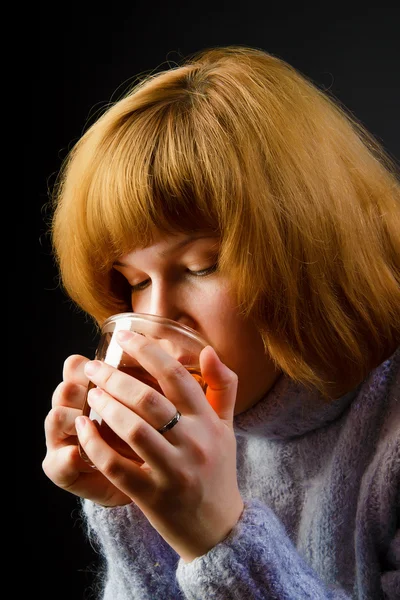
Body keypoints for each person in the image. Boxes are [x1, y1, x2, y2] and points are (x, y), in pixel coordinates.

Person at [42, 45, 400, 599]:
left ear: (312, 249)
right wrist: (134, 502)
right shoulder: (190, 426)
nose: (153, 320)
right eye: (134, 281)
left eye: (200, 265)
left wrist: (219, 538)